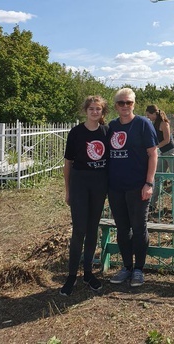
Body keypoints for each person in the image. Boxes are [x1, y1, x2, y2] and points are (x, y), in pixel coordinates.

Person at [108, 88, 158, 287]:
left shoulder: (143, 124)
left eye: (129, 102)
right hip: (116, 187)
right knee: (122, 229)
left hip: (138, 187)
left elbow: (153, 154)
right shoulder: (112, 126)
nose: (125, 106)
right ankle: (126, 266)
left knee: (139, 228)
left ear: (134, 104)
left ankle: (139, 269)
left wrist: (149, 183)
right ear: (116, 106)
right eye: (121, 103)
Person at [60, 95, 109, 296]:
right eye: (91, 109)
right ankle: (71, 275)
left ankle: (88, 273)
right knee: (79, 229)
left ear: (102, 112)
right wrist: (68, 190)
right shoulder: (76, 133)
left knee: (92, 228)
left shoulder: (107, 131)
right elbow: (68, 164)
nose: (95, 112)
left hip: (99, 183)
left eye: (98, 109)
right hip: (80, 183)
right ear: (85, 111)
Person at [145, 104, 174, 210]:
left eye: (149, 115)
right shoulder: (154, 123)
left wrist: (155, 147)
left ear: (154, 114)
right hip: (163, 153)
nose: (148, 117)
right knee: (157, 177)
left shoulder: (164, 123)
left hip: (171, 152)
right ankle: (152, 204)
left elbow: (166, 140)